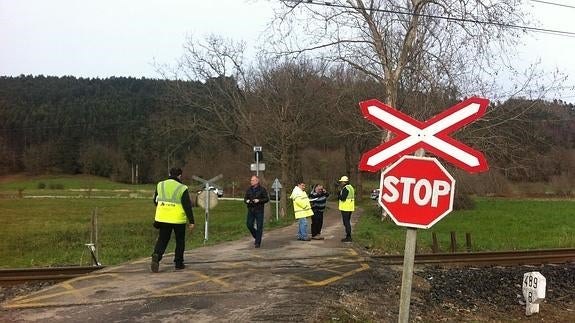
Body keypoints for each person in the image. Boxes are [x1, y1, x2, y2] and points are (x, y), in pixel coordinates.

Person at [151, 167, 195, 272]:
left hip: (162, 217)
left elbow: (155, 200)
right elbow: (187, 205)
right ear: (180, 176)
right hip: (177, 219)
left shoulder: (160, 184)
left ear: (169, 174)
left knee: (163, 239)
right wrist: (192, 221)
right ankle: (178, 263)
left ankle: (157, 255)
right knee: (180, 241)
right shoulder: (182, 188)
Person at [244, 175, 269, 248]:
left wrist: (259, 200)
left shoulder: (262, 189)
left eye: (252, 180)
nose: (251, 181)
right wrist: (247, 201)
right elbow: (245, 199)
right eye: (251, 180)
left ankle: (257, 242)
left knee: (259, 226)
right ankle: (257, 236)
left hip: (259, 210)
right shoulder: (249, 190)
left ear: (257, 181)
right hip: (251, 210)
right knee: (249, 225)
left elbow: (266, 199)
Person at [337, 175, 355, 242]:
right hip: (350, 207)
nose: (341, 183)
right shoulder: (351, 187)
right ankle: (348, 236)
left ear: (344, 182)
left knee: (346, 222)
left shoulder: (345, 188)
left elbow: (343, 198)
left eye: (341, 182)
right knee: (347, 222)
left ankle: (348, 237)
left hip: (345, 208)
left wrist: (339, 195)